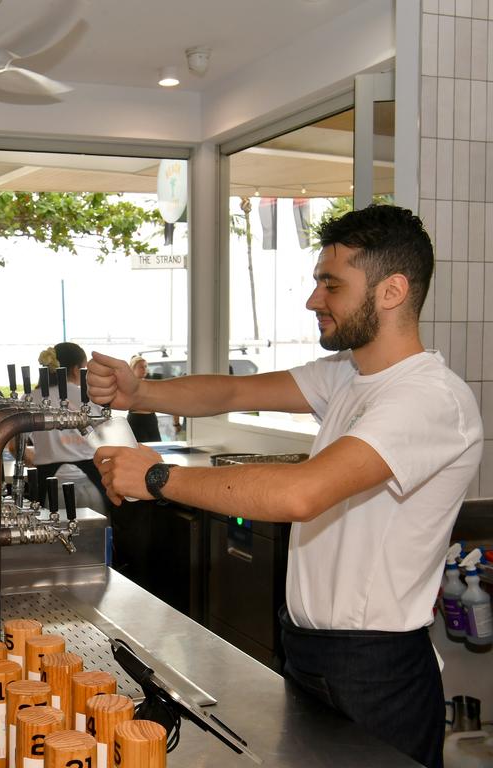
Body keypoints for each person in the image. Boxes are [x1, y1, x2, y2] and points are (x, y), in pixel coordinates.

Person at [87, 205, 482, 768]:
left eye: (331, 284)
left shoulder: (428, 398)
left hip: (377, 668)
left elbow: (302, 494)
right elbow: (227, 394)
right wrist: (138, 395)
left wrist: (158, 477)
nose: (313, 299)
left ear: (392, 291)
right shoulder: (351, 374)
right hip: (306, 647)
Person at [25, 342, 108, 515]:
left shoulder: (29, 399)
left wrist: (43, 452)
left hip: (47, 481)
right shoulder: (89, 397)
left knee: (52, 536)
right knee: (96, 536)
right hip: (92, 479)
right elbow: (106, 439)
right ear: (78, 370)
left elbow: (14, 447)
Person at [125, 355, 162, 442]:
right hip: (136, 419)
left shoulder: (150, 384)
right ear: (133, 369)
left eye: (145, 366)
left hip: (151, 418)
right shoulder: (128, 385)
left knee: (156, 447)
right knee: (139, 448)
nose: (144, 369)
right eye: (141, 367)